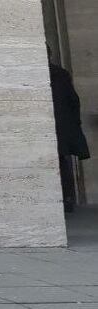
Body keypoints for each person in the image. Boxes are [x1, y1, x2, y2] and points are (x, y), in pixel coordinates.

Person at [47, 47, 91, 212]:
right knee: (61, 162)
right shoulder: (61, 74)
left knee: (58, 162)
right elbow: (74, 100)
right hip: (62, 126)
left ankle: (64, 198)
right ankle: (67, 198)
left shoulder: (57, 74)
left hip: (56, 125)